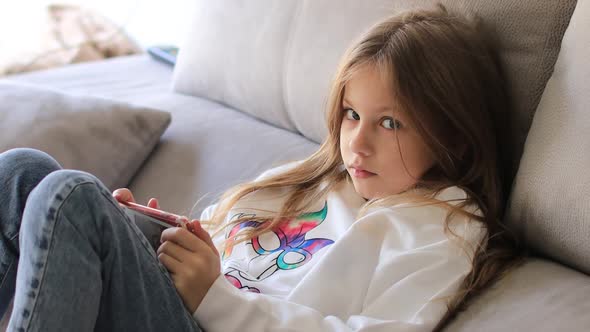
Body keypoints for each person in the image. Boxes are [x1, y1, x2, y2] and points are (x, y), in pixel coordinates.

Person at [0, 4, 525, 332]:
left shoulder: (442, 229)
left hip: (215, 322)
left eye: (390, 124)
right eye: (351, 114)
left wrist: (216, 298)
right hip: (191, 307)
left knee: (67, 197)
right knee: (25, 171)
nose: (357, 144)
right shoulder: (319, 180)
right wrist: (155, 240)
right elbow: (232, 261)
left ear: (452, 134)